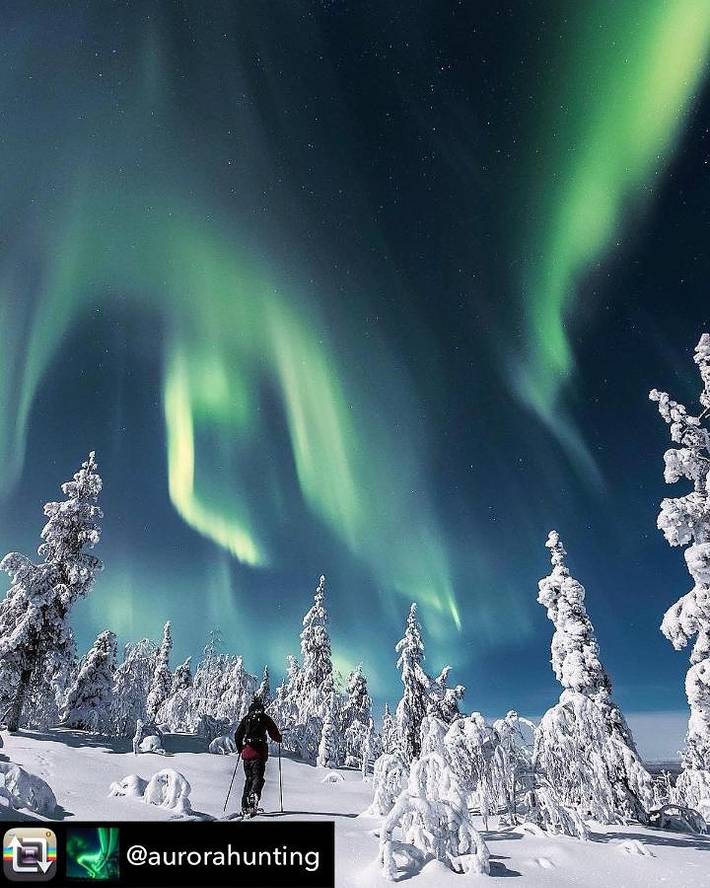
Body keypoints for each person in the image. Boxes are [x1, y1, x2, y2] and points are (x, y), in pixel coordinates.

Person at [234, 695, 282, 816]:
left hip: (247, 753)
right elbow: (274, 733)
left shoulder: (247, 719)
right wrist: (279, 738)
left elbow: (238, 735)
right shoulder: (264, 718)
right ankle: (254, 796)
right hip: (259, 753)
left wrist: (241, 749)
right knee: (258, 778)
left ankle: (245, 806)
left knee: (249, 779)